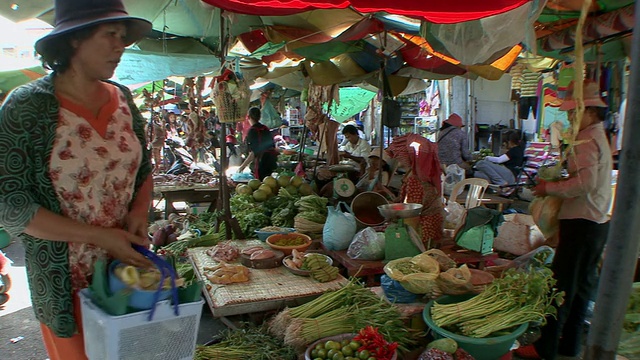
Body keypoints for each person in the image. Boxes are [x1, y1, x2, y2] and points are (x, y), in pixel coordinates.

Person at [0, 0, 154, 358]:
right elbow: (9, 203)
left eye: (123, 36)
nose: (121, 45)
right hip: (63, 279)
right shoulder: (27, 107)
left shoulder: (124, 99)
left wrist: (140, 212)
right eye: (110, 34)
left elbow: (143, 168)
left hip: (123, 271)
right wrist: (99, 236)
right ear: (73, 40)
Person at [515, 81, 613, 360]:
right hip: (595, 223)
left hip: (583, 223)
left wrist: (550, 188)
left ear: (590, 112)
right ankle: (570, 346)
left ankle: (544, 347)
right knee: (580, 288)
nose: (570, 118)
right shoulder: (598, 136)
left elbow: (585, 184)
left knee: (560, 287)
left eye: (574, 113)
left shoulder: (588, 140)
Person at [386, 134, 443, 246]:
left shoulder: (415, 179)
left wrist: (392, 210)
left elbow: (412, 210)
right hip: (432, 224)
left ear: (408, 157)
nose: (395, 158)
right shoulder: (416, 172)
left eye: (398, 155)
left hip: (424, 231)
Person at [473, 130, 524, 195]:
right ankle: (491, 192)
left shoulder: (515, 150)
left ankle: (502, 183)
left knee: (480, 163)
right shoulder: (519, 150)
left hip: (509, 174)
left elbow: (499, 160)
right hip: (507, 176)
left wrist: (487, 157)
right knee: (478, 174)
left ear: (509, 141)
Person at [238, 107, 278, 180]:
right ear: (259, 117)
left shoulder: (252, 131)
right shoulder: (265, 128)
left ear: (248, 117)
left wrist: (242, 167)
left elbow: (254, 152)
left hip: (261, 164)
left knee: (261, 186)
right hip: (271, 161)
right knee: (269, 184)